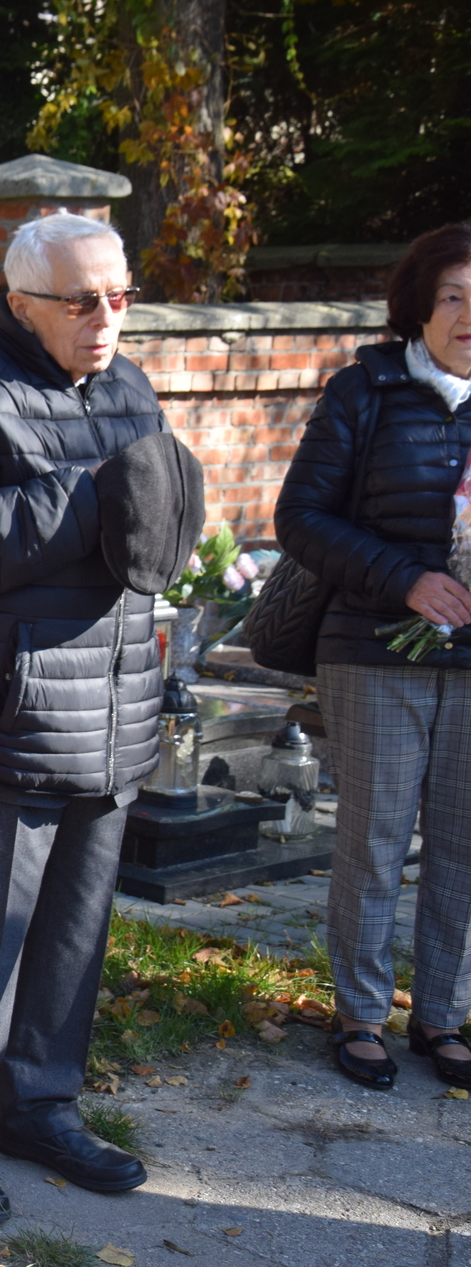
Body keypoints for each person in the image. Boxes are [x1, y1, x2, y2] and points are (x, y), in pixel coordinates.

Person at [0, 212, 182, 1224]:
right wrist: (92, 492)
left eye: (120, 296)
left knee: (74, 933)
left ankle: (41, 1106)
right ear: (20, 302)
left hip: (115, 708)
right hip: (15, 711)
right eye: (82, 300)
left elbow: (150, 524)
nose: (107, 319)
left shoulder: (129, 384)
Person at [274, 223, 471, 1093]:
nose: (470, 315)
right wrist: (407, 581)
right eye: (455, 296)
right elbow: (302, 517)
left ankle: (443, 1015)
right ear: (420, 306)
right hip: (375, 651)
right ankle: (360, 1015)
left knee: (464, 846)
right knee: (375, 842)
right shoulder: (366, 391)